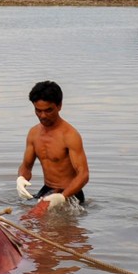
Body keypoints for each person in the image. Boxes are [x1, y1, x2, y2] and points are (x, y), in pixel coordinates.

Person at [16, 80, 89, 209]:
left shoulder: (69, 135)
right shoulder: (34, 133)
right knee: (24, 217)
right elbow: (26, 166)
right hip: (47, 189)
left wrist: (62, 197)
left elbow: (83, 175)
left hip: (70, 193)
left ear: (59, 106)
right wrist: (21, 179)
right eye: (38, 110)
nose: (43, 116)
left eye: (48, 110)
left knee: (36, 219)